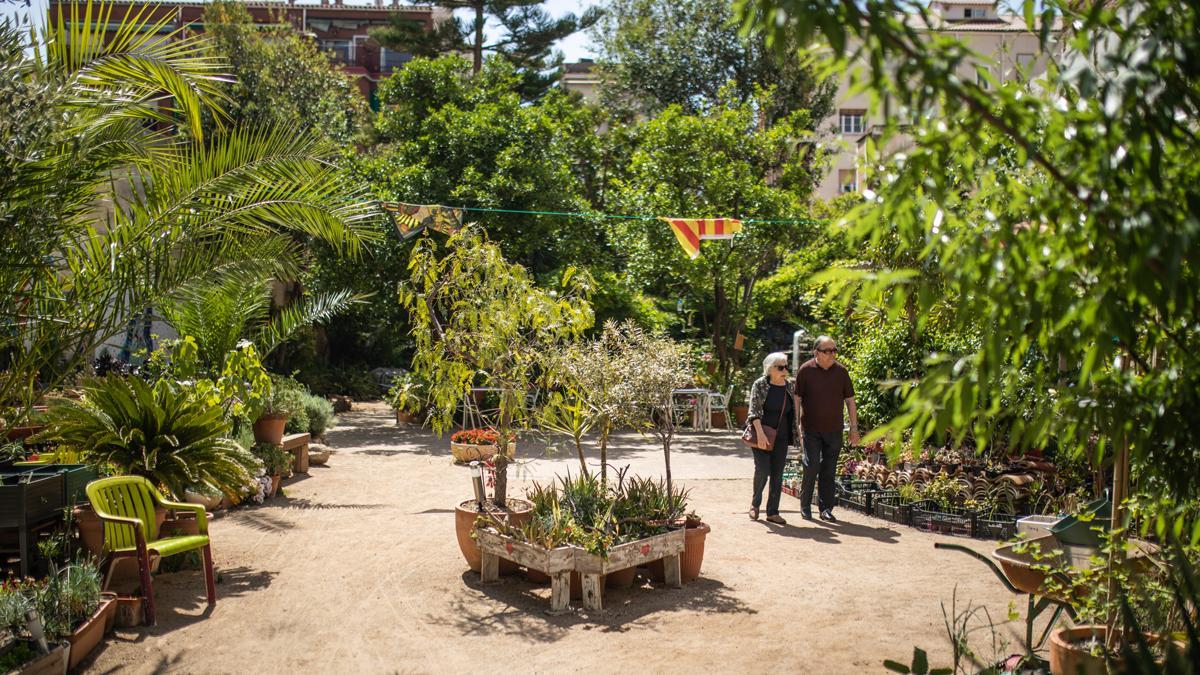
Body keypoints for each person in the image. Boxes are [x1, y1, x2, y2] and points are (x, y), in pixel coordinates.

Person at [796, 336, 860, 522]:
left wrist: (853, 428)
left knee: (829, 470)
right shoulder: (805, 371)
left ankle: (825, 509)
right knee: (812, 465)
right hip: (811, 429)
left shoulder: (841, 372)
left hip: (834, 430)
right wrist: (798, 427)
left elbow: (850, 401)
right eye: (827, 350)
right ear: (816, 352)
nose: (832, 354)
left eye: (834, 350)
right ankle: (805, 505)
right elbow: (797, 398)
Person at [745, 352, 801, 524]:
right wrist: (760, 434)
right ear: (770, 369)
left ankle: (773, 511)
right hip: (761, 433)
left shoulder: (790, 386)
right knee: (762, 470)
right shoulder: (761, 384)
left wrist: (799, 429)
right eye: (780, 367)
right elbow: (753, 412)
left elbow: (796, 409)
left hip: (782, 436)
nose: (785, 370)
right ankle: (755, 504)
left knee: (777, 473)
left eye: (786, 366)